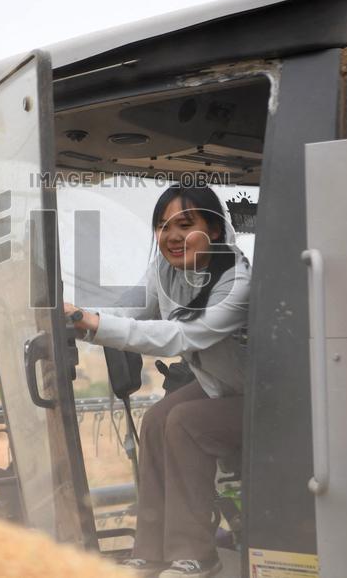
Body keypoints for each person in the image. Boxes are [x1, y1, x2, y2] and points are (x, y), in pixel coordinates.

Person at [64, 183, 250, 578]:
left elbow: (181, 337)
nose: (172, 236)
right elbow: (128, 309)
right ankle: (150, 551)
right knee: (155, 421)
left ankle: (197, 556)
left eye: (185, 224)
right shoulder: (165, 271)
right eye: (163, 226)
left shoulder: (238, 282)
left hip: (271, 396)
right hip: (224, 386)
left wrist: (90, 324)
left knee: (185, 424)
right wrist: (73, 315)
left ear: (214, 230)